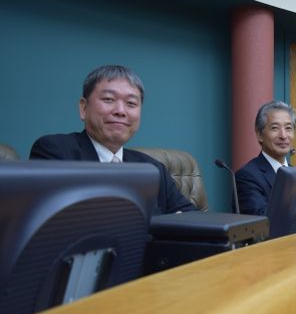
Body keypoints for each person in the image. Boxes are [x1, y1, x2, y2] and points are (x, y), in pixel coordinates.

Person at [30, 65, 196, 215]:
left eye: (131, 103)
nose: (120, 111)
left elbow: (192, 218)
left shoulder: (153, 168)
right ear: (83, 108)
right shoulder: (56, 152)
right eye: (108, 99)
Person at [235, 101, 296, 215]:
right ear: (260, 134)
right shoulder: (247, 176)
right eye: (275, 128)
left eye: (288, 128)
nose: (283, 135)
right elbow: (261, 220)